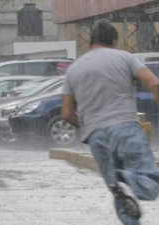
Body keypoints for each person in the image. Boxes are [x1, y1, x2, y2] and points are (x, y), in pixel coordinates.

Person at [62, 22, 159, 225]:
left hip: (96, 138)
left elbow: (67, 114)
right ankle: (126, 176)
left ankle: (118, 180)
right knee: (150, 184)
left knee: (120, 196)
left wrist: (90, 126)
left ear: (89, 43)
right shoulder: (125, 57)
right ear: (114, 42)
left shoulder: (73, 69)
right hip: (126, 129)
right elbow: (154, 83)